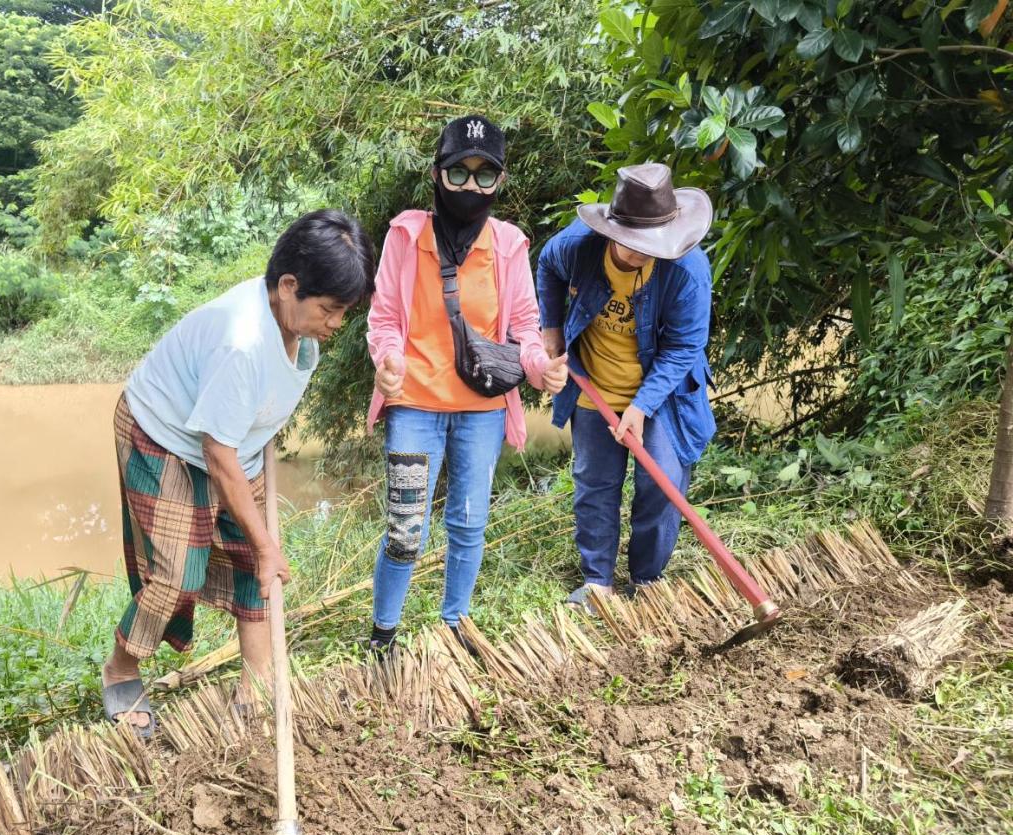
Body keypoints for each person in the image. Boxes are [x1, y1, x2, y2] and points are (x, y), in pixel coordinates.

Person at [103, 210, 376, 735]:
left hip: (230, 444)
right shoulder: (242, 341)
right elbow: (216, 454)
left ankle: (256, 682)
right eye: (330, 309)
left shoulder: (293, 324)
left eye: (344, 311)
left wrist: (262, 546)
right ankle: (121, 669)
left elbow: (251, 415)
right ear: (289, 286)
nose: (337, 323)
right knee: (176, 574)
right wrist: (268, 543)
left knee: (257, 563)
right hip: (164, 436)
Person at [365, 115, 569, 656]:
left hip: (482, 408)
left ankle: (455, 627)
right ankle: (383, 637)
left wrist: (541, 367)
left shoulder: (508, 244)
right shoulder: (406, 236)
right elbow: (383, 319)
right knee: (405, 530)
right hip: (413, 403)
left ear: (500, 181)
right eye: (459, 173)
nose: (471, 187)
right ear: (438, 174)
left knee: (469, 522)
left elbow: (524, 327)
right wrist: (387, 359)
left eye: (485, 176)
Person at [537, 163, 716, 609]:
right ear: (612, 229)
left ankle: (646, 580)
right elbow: (547, 266)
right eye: (635, 242)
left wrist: (641, 406)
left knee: (663, 481)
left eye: (653, 242)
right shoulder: (577, 247)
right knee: (594, 482)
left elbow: (685, 346)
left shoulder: (687, 269)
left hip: (663, 394)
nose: (644, 252)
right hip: (594, 382)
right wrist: (551, 328)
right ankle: (597, 580)